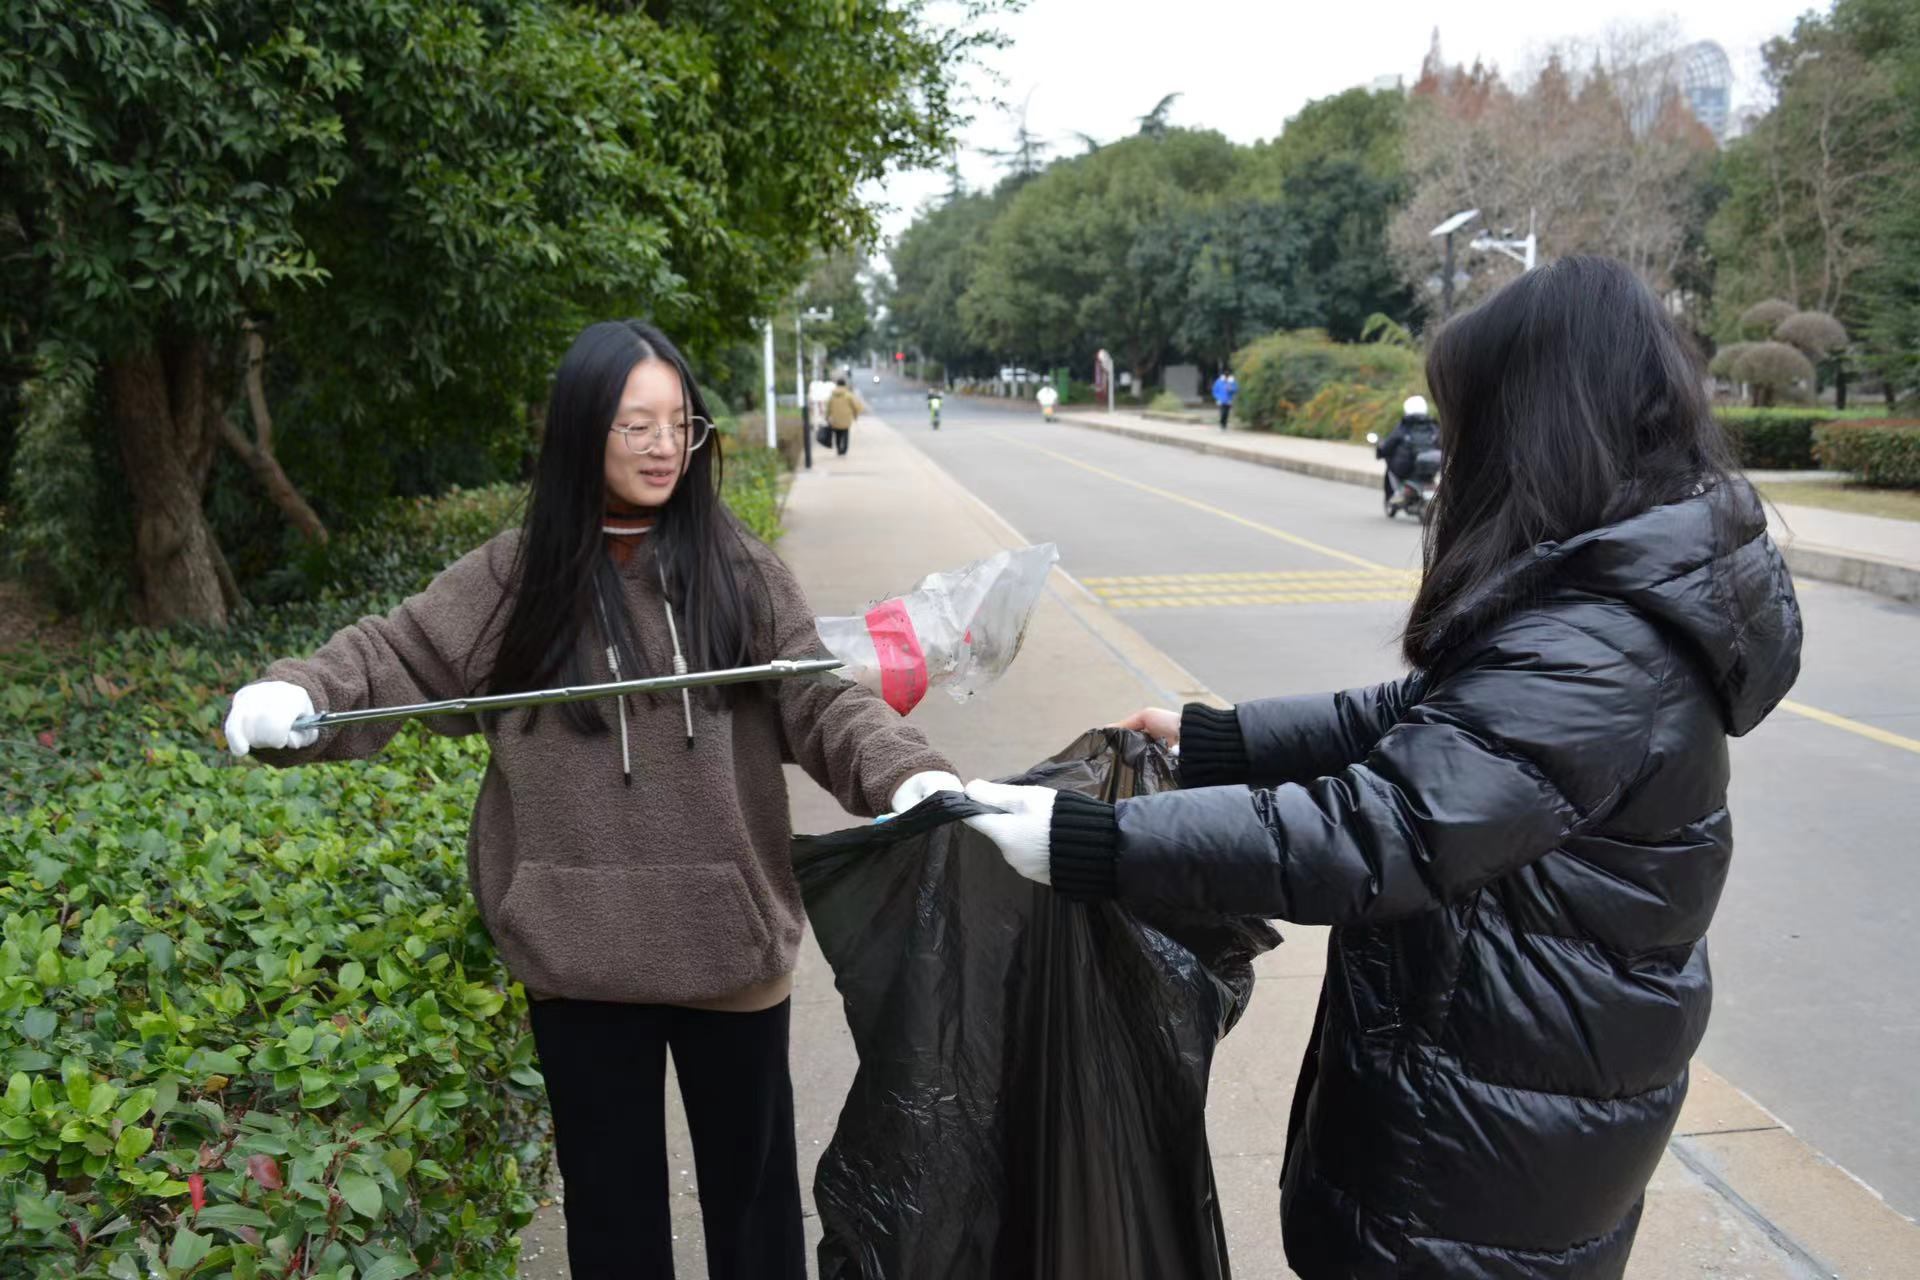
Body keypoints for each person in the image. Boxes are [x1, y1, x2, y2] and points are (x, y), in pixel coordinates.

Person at [960, 257, 1803, 1280]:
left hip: (1488, 1148)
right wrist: (1222, 740)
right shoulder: (1610, 590)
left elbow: (1382, 832)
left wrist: (1091, 841)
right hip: (1500, 1092)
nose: (1452, 454)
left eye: (1470, 421)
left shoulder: (1600, 648)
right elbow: (1431, 722)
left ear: (1535, 421)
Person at [222, 320, 962, 1280]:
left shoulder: (735, 568)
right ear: (581, 434)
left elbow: (818, 696)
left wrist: (905, 771)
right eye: (635, 426)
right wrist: (301, 695)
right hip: (576, 953)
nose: (664, 447)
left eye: (680, 425)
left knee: (756, 1216)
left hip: (728, 947)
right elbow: (393, 657)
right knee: (612, 1227)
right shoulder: (513, 575)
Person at [1376, 394, 1441, 505]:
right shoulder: (1433, 426)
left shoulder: (1404, 426)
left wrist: (1381, 452)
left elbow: (1389, 444)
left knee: (1389, 462)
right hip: (1431, 469)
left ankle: (1395, 493)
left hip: (1406, 468)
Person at [826, 376, 863, 456]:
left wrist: (827, 416)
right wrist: (855, 415)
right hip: (846, 418)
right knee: (845, 433)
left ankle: (839, 449)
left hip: (835, 418)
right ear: (844, 384)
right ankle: (844, 449)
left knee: (837, 434)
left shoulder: (832, 395)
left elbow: (828, 407)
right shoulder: (848, 395)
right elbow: (855, 406)